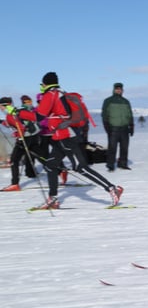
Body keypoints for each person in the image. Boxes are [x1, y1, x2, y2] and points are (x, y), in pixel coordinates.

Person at [17, 72, 123, 209]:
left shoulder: (51, 94)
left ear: (45, 84)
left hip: (65, 136)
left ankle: (112, 188)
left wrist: (20, 113)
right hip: (60, 136)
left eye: (42, 84)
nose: (41, 87)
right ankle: (53, 199)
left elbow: (39, 116)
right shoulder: (60, 92)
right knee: (50, 165)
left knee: (80, 167)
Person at [1, 96, 39, 191]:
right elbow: (15, 122)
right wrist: (2, 122)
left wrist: (19, 136)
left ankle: (15, 184)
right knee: (40, 156)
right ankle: (60, 171)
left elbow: (20, 127)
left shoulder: (10, 115)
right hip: (33, 136)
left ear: (5, 105)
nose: (0, 109)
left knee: (14, 160)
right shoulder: (17, 110)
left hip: (24, 138)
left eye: (1, 106)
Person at [101, 82, 134, 171]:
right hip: (113, 128)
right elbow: (104, 114)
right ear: (114, 90)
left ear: (122, 90)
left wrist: (131, 125)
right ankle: (110, 165)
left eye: (120, 89)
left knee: (124, 147)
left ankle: (123, 164)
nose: (119, 90)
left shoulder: (126, 101)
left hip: (124, 128)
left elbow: (129, 114)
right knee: (112, 148)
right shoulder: (108, 101)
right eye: (117, 89)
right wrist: (106, 126)